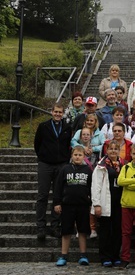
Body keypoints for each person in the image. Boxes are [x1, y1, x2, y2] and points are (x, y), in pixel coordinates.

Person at [34, 103, 72, 240]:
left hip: (61, 164)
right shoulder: (43, 126)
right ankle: (41, 227)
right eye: (56, 112)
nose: (58, 114)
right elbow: (37, 144)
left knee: (58, 196)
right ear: (51, 112)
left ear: (63, 114)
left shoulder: (67, 127)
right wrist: (43, 156)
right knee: (42, 195)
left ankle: (55, 225)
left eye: (60, 112)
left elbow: (69, 145)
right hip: (45, 164)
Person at [53, 146, 92, 267]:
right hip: (67, 205)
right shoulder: (65, 169)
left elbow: (91, 187)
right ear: (71, 156)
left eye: (80, 155)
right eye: (75, 155)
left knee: (83, 230)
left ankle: (83, 255)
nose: (77, 157)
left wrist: (92, 202)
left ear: (84, 156)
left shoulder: (88, 170)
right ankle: (64, 255)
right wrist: (57, 202)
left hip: (83, 205)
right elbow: (58, 186)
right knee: (66, 231)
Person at [91, 140, 124, 267]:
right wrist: (97, 204)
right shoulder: (101, 166)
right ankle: (105, 257)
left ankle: (116, 256)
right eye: (111, 149)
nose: (113, 151)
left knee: (117, 231)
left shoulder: (123, 164)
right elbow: (96, 186)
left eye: (116, 149)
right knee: (105, 231)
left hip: (119, 202)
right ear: (106, 150)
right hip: (105, 202)